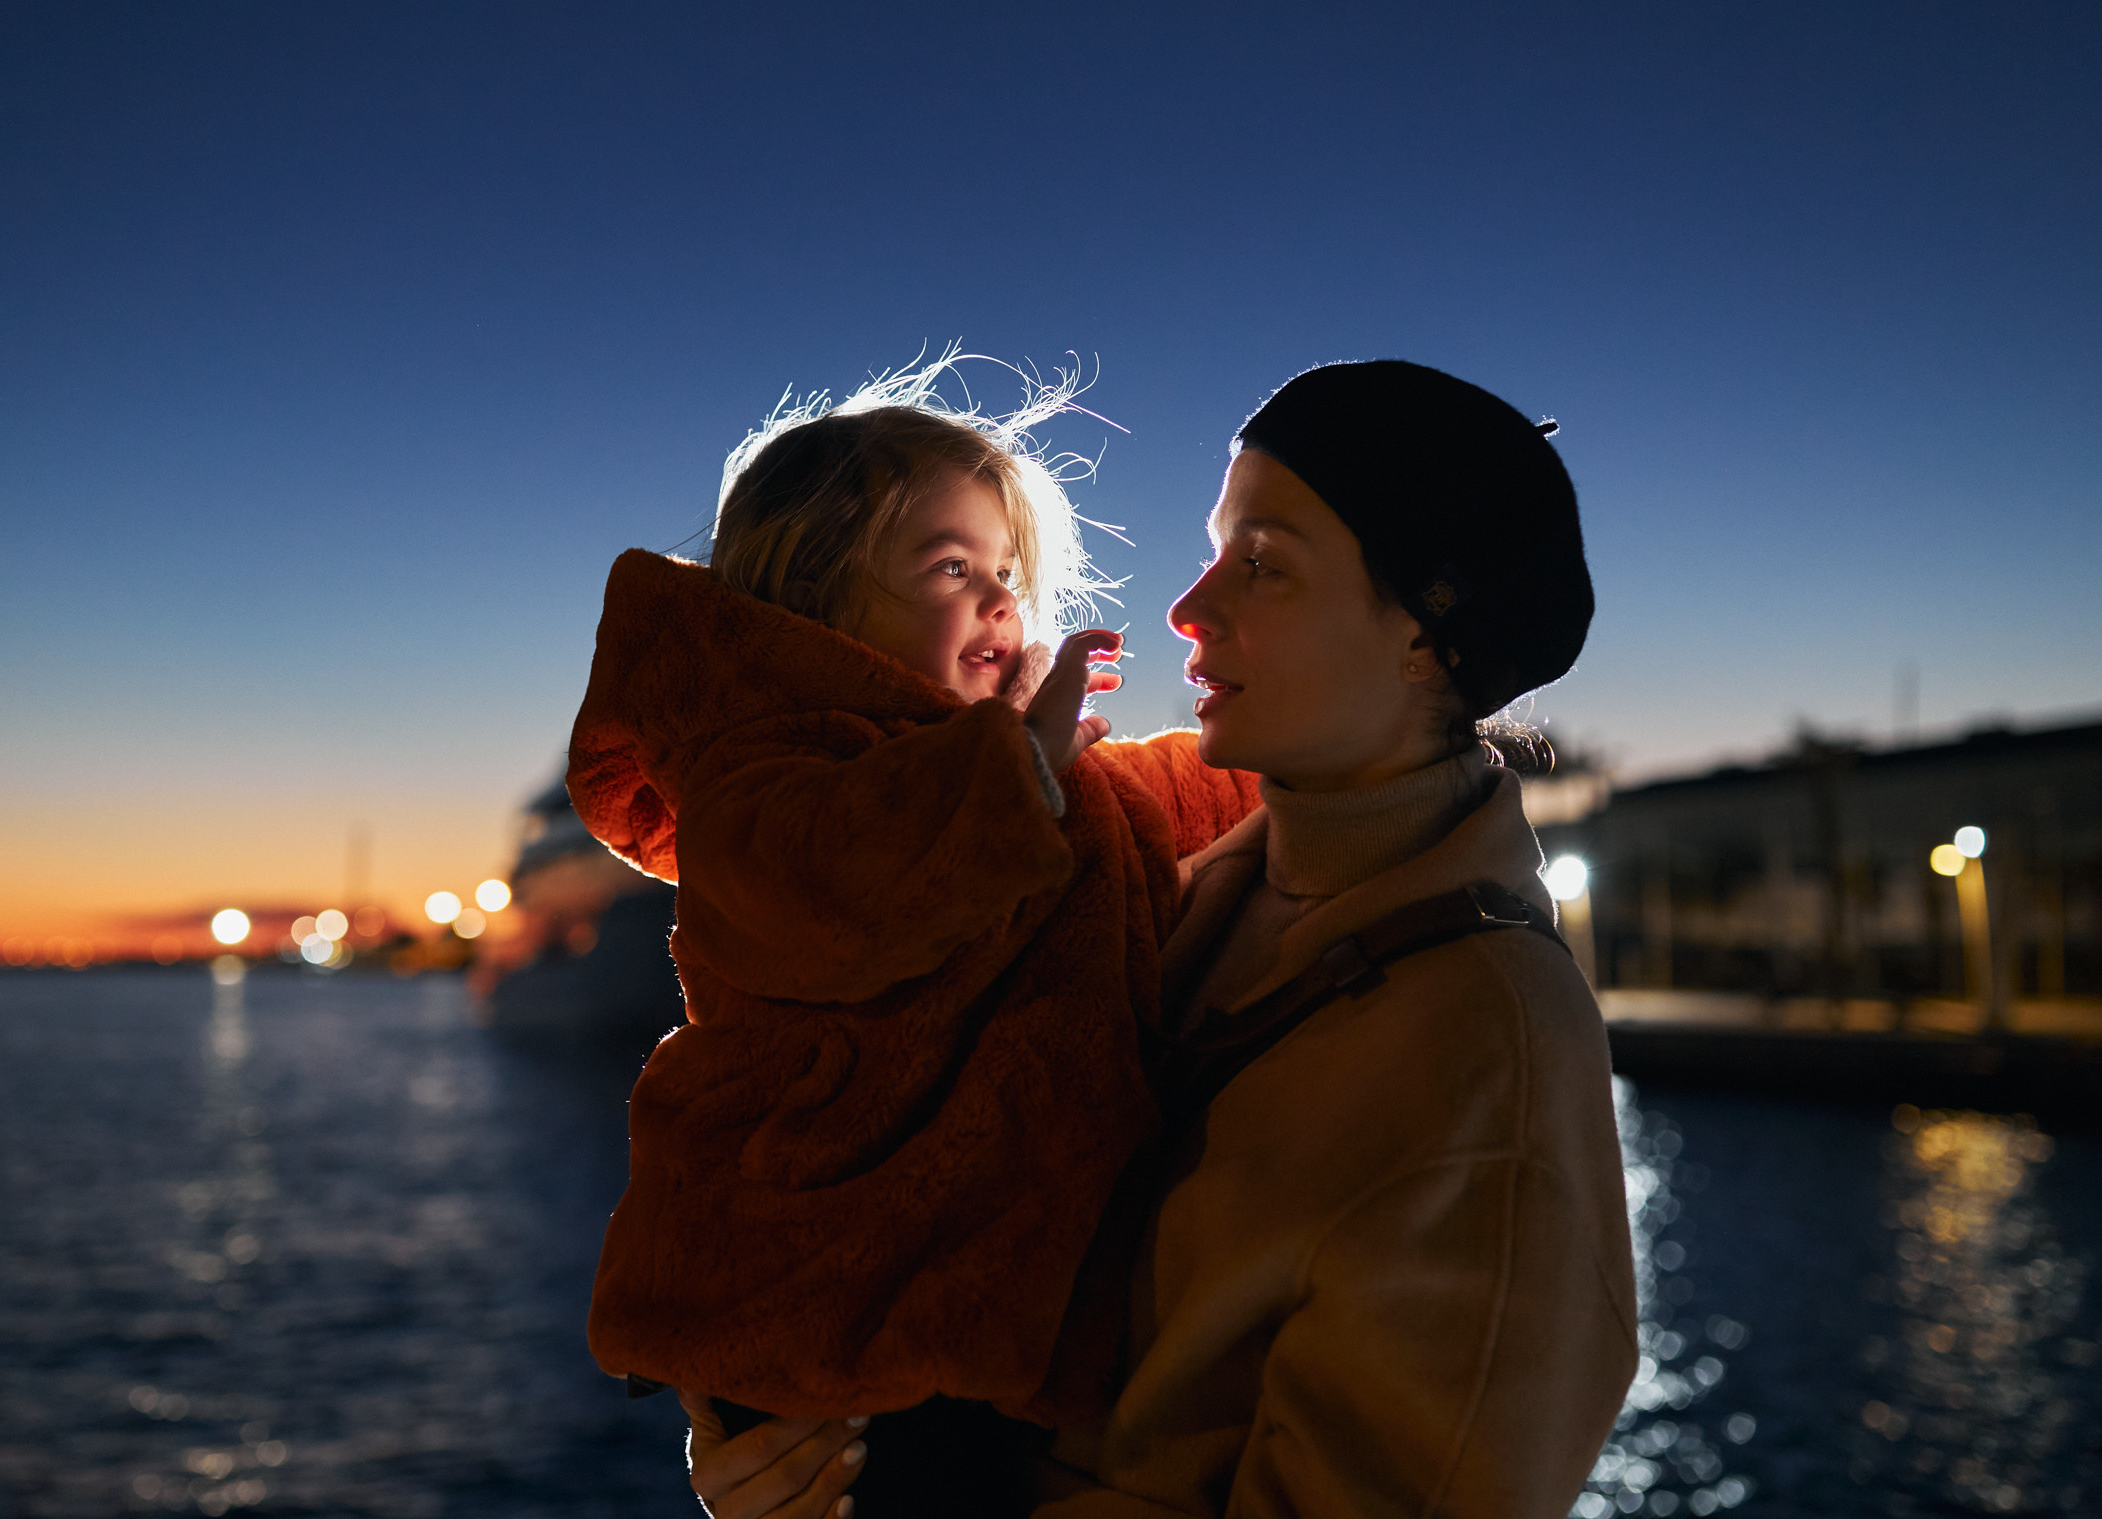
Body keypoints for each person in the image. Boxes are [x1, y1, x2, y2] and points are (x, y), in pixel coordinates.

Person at [684, 360, 1637, 1519]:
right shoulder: (1169, 896)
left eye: (1264, 562)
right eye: (1214, 544)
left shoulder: (1488, 1045)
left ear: (1425, 632)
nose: (1189, 604)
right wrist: (800, 1461)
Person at [568, 356, 1259, 1513]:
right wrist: (1022, 767)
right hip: (826, 1296)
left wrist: (1270, 763)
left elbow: (1140, 807)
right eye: (952, 566)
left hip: (933, 1306)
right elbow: (837, 881)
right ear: (820, 603)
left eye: (1008, 572)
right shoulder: (773, 777)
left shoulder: (998, 780)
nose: (1000, 598)